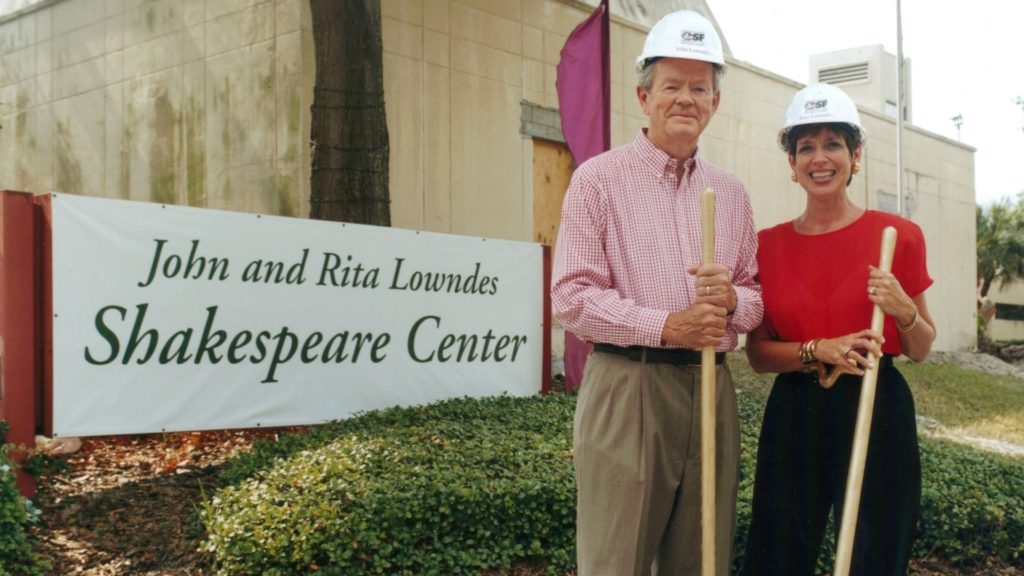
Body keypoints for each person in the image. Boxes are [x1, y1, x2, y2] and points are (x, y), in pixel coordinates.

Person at [551, 10, 763, 575]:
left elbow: (756, 296)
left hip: (711, 388)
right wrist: (669, 325)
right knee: (615, 559)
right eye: (672, 85)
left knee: (702, 559)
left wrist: (734, 303)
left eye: (700, 87)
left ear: (715, 103)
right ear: (644, 96)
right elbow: (571, 296)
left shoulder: (732, 194)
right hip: (628, 384)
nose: (686, 99)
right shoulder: (598, 180)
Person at [740, 83, 937, 576]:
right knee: (778, 554)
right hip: (795, 412)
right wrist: (817, 349)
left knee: (877, 552)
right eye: (806, 146)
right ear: (791, 162)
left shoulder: (898, 237)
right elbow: (759, 355)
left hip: (877, 403)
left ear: (856, 155)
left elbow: (921, 348)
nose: (820, 158)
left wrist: (901, 310)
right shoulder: (766, 245)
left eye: (833, 144)